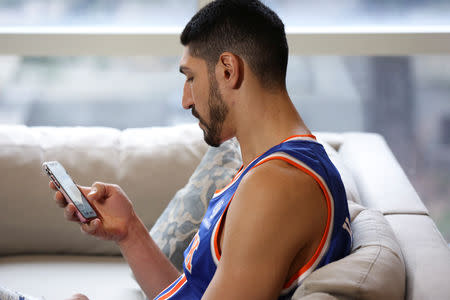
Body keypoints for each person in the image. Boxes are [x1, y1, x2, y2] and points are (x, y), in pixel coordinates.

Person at [48, 1, 352, 299]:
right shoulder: (273, 170)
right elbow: (194, 292)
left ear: (228, 70)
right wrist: (129, 231)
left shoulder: (275, 187)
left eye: (191, 78)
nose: (186, 100)